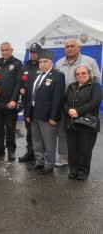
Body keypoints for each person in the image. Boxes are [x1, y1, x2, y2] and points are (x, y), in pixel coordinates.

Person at [55, 38, 102, 167]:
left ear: (79, 47)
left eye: (72, 46)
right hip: (65, 105)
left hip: (83, 105)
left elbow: (96, 80)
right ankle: (64, 157)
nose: (69, 48)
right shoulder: (59, 63)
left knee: (83, 135)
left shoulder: (89, 61)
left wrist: (85, 99)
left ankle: (81, 163)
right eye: (67, 46)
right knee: (63, 132)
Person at [24, 49, 65, 174]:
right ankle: (39, 161)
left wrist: (53, 116)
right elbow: (29, 97)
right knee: (36, 140)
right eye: (40, 62)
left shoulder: (58, 76)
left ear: (51, 62)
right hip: (34, 114)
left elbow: (57, 98)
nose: (42, 64)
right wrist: (27, 114)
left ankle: (49, 164)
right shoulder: (35, 76)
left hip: (48, 116)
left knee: (49, 141)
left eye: (45, 62)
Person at [63, 64, 102, 180]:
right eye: (78, 73)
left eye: (83, 73)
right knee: (72, 149)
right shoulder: (71, 86)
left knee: (85, 149)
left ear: (89, 74)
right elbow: (64, 101)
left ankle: (83, 171)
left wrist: (78, 112)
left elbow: (95, 101)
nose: (80, 75)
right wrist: (69, 110)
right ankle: (73, 170)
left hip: (87, 124)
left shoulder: (94, 86)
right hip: (71, 123)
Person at [0, 42, 23, 160]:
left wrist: (14, 100)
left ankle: (11, 151)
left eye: (7, 50)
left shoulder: (17, 64)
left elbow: (19, 84)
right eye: (2, 50)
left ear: (12, 50)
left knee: (10, 128)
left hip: (10, 103)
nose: (5, 52)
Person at [18, 43, 42, 162]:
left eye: (35, 52)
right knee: (29, 130)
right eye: (31, 52)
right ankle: (30, 152)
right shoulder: (26, 65)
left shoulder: (42, 65)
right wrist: (21, 88)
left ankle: (40, 155)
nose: (33, 54)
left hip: (39, 103)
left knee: (39, 131)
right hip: (27, 102)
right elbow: (22, 80)